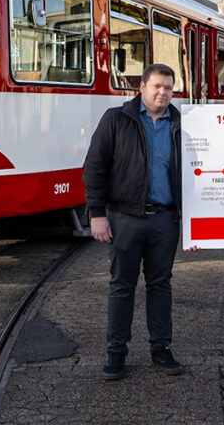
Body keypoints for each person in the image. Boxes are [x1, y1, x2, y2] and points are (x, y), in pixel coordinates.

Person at [84, 63, 184, 380]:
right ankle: (116, 353)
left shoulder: (181, 123)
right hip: (125, 218)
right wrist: (96, 214)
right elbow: (94, 167)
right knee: (121, 287)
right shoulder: (117, 119)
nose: (162, 93)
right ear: (141, 86)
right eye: (156, 86)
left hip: (165, 220)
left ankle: (161, 349)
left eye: (168, 88)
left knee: (160, 286)